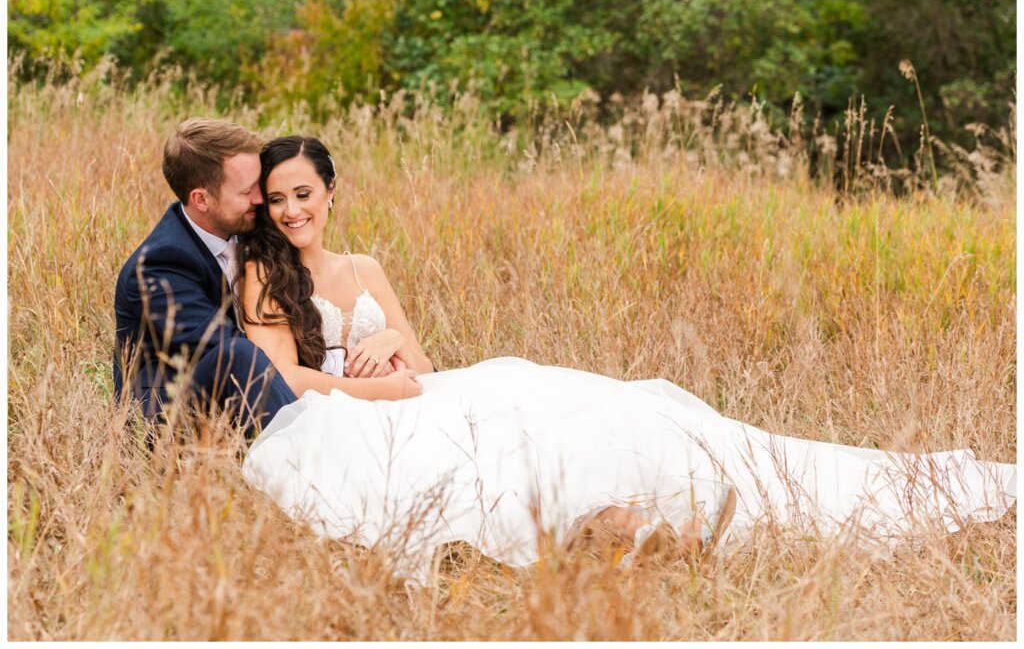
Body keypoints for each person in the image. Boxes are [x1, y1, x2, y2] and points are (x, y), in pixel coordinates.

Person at [238, 135, 1016, 583]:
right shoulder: (264, 274)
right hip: (345, 417)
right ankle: (627, 530)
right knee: (502, 474)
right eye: (277, 199)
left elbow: (428, 358)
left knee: (589, 411)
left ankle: (680, 510)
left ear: (332, 192)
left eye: (304, 193)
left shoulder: (366, 267)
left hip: (425, 389)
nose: (292, 210)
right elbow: (285, 377)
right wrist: (377, 384)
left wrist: (392, 344)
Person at [114, 118, 297, 438]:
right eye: (246, 190)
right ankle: (306, 453)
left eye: (259, 184)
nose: (260, 198)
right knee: (239, 354)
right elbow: (227, 348)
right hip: (168, 417)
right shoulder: (157, 266)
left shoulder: (249, 226)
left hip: (243, 398)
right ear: (201, 199)